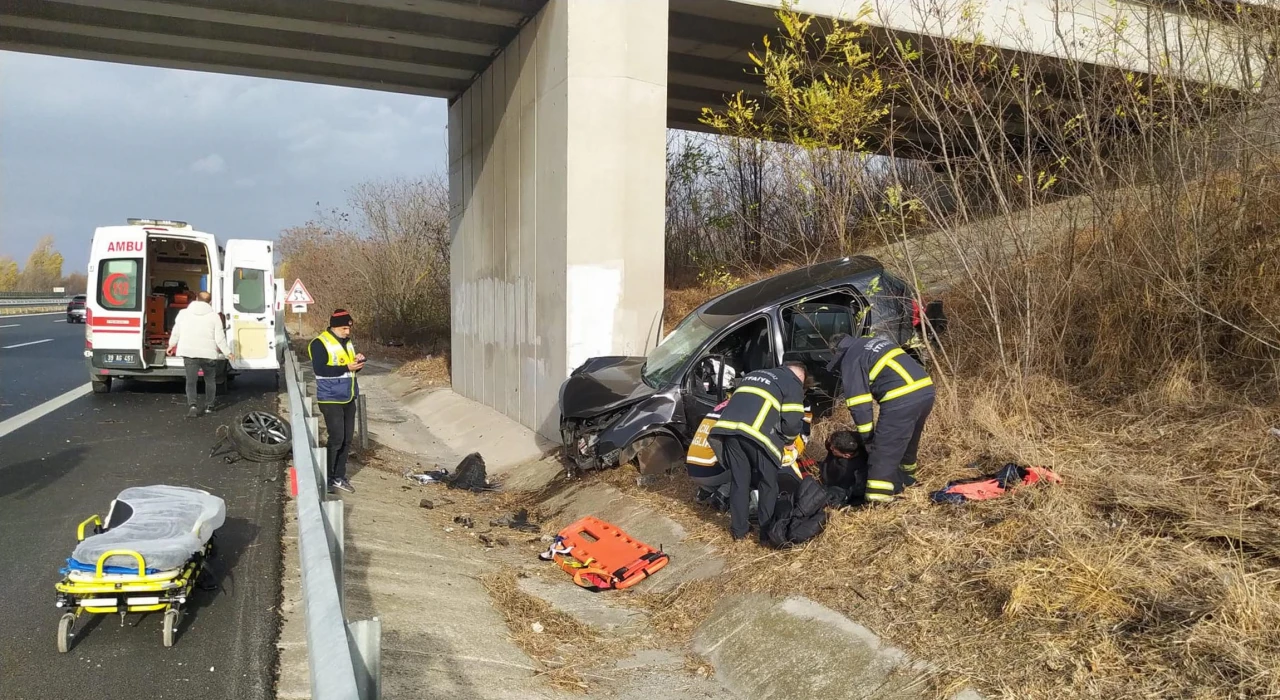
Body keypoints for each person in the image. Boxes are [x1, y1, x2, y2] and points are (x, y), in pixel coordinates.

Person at [827, 332, 935, 505]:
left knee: (883, 452)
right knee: (907, 442)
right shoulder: (869, 344)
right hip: (925, 390)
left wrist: (868, 438)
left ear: (837, 351)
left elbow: (859, 404)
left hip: (901, 397)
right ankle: (907, 479)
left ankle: (878, 502)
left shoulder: (850, 358)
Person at [708, 361, 808, 541]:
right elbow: (792, 422)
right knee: (768, 484)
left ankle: (739, 532)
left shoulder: (755, 373)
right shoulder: (792, 382)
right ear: (800, 376)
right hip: (757, 436)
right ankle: (765, 534)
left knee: (739, 483)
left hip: (729, 431)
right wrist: (790, 442)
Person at [310, 309, 365, 494]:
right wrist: (346, 367)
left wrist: (357, 364)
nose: (348, 332)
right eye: (344, 328)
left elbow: (349, 370)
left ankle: (339, 477)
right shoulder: (319, 343)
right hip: (330, 397)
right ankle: (328, 477)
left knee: (347, 439)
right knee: (336, 439)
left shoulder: (347, 343)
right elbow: (320, 370)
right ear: (334, 326)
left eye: (349, 328)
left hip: (348, 396)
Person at [166, 291, 234, 418]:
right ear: (210, 302)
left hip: (189, 352)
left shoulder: (183, 313)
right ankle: (209, 406)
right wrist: (227, 352)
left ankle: (192, 405)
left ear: (196, 299)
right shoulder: (214, 316)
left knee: (191, 381)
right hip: (208, 353)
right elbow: (220, 338)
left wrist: (171, 345)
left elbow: (176, 332)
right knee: (210, 381)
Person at [816, 430, 868, 507]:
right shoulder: (853, 443)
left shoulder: (847, 472)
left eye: (833, 449)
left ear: (847, 455)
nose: (830, 448)